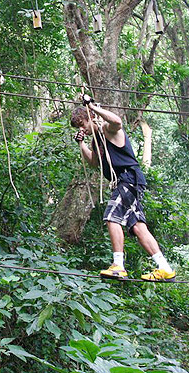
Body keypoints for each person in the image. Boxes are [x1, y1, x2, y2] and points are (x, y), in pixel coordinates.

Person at [70, 95, 176, 281]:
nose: (82, 129)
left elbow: (117, 121)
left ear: (90, 118)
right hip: (126, 182)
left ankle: (118, 265)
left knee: (112, 217)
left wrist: (92, 107)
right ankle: (164, 268)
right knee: (138, 227)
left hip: (128, 178)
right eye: (78, 127)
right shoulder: (96, 141)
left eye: (82, 124)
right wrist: (81, 144)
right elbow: (94, 162)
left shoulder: (107, 129)